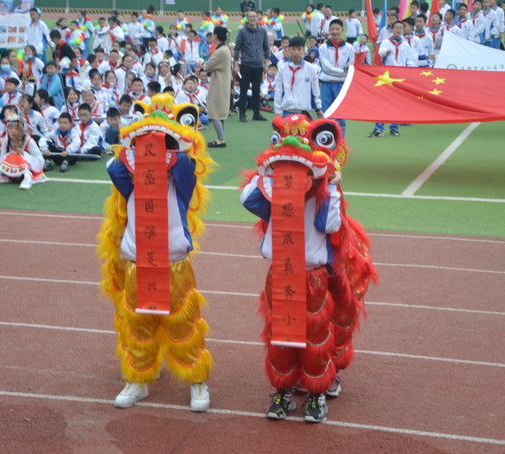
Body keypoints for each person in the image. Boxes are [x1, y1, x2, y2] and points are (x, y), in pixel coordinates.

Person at [240, 115, 376, 423]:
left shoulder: (322, 193)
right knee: (280, 336)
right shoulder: (272, 189)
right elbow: (247, 198)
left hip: (312, 275)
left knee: (315, 337)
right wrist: (265, 172)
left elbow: (329, 225)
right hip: (280, 271)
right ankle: (283, 390)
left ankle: (316, 392)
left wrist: (328, 186)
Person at [98, 95, 215, 412]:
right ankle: (138, 380)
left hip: (173, 260)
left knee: (183, 325)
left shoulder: (182, 173)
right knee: (138, 325)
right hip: (138, 259)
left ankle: (197, 382)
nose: (155, 146)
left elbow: (186, 161)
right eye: (149, 141)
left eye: (161, 141)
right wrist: (138, 138)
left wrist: (166, 135)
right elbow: (114, 165)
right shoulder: (129, 173)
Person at [0, 113, 46, 190]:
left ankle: (27, 178)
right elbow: (1, 160)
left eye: (16, 128)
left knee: (18, 156)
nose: (13, 131)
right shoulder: (6, 141)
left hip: (30, 169)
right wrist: (9, 155)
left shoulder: (28, 141)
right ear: (6, 129)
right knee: (11, 155)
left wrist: (23, 154)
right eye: (10, 128)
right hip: (12, 171)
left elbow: (40, 161)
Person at [318, 19, 354, 135]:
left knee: (340, 115)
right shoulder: (323, 47)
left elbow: (352, 66)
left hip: (342, 85)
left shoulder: (349, 48)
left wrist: (348, 68)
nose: (335, 32)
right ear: (329, 31)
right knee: (326, 114)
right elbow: (326, 68)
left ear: (342, 30)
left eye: (337, 29)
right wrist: (344, 72)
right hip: (327, 84)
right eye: (332, 29)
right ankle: (326, 142)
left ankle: (340, 145)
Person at [234, 10, 270, 123]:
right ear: (247, 18)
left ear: (258, 17)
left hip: (258, 65)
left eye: (254, 16)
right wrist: (236, 63)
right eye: (250, 17)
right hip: (246, 65)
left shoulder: (263, 31)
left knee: (256, 90)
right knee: (243, 91)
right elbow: (237, 48)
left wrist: (266, 63)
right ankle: (242, 114)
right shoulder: (242, 31)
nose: (252, 18)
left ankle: (256, 113)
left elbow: (266, 47)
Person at [274, 36, 322, 118]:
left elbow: (315, 91)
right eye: (293, 49)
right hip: (287, 111)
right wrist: (279, 112)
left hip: (304, 112)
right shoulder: (282, 68)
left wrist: (318, 109)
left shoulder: (310, 68)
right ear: (289, 50)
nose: (296, 52)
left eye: (299, 49)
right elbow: (278, 91)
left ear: (303, 50)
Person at [203, 26, 231, 147]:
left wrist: (203, 66)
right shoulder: (224, 49)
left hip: (218, 83)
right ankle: (221, 138)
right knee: (220, 112)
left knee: (214, 111)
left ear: (216, 36)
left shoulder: (221, 51)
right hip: (222, 82)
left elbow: (208, 65)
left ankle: (221, 139)